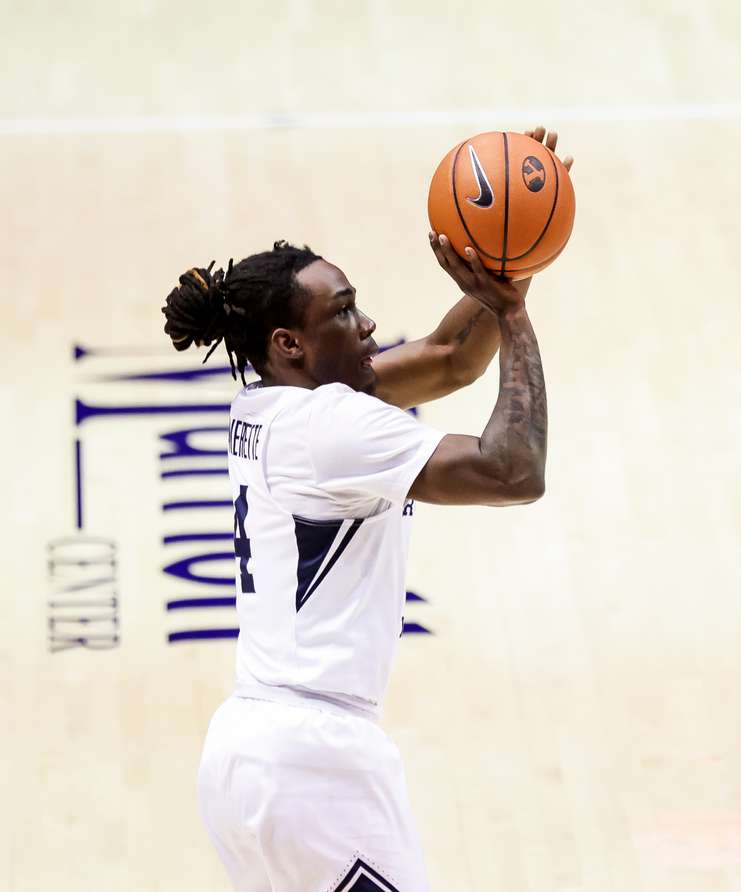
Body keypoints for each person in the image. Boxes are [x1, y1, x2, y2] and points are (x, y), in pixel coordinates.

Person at [163, 129, 570, 892]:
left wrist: (506, 266)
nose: (370, 327)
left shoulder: (272, 405)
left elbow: (452, 359)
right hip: (316, 766)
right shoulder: (331, 429)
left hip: (250, 758)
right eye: (345, 314)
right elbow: (513, 470)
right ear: (289, 342)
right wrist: (512, 316)